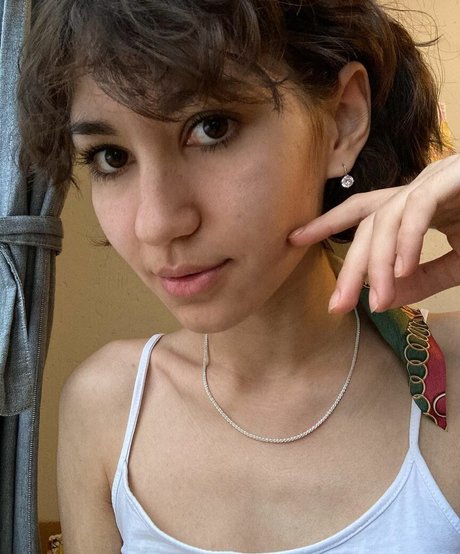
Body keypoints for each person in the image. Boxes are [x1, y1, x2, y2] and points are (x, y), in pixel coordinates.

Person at [18, 1, 460, 552]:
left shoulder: (453, 372)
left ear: (341, 120)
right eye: (110, 157)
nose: (156, 224)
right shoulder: (106, 407)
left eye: (212, 127)